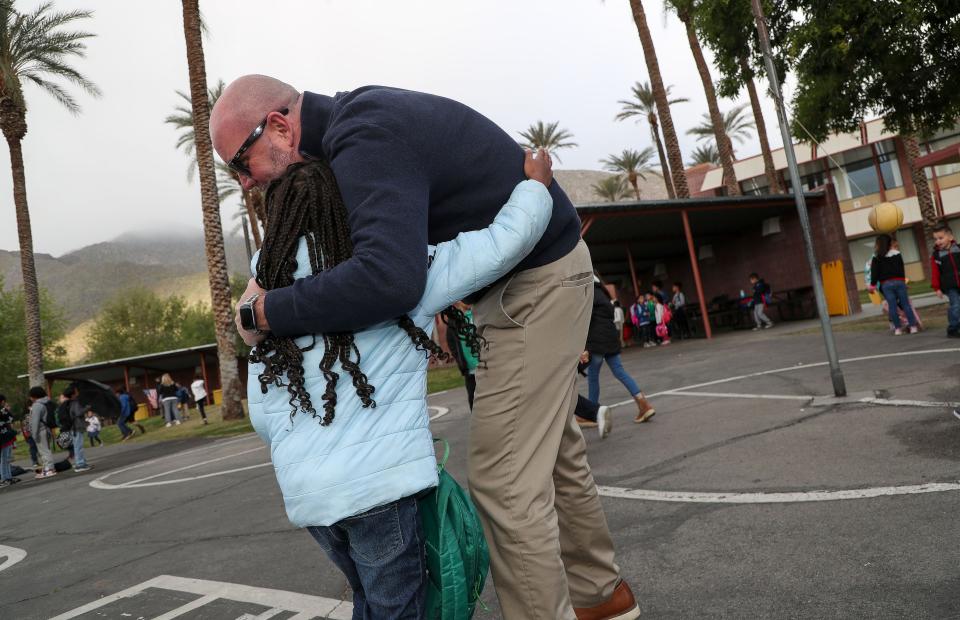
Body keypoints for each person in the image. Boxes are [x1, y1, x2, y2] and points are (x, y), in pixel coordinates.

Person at [213, 76, 636, 618]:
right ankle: (602, 597)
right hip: (513, 278)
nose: (245, 183)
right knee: (553, 453)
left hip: (537, 279)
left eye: (241, 165)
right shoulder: (341, 155)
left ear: (277, 126)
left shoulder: (361, 137)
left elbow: (390, 277)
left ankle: (593, 597)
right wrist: (532, 190)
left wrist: (267, 312)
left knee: (503, 478)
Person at [246, 154, 553, 618]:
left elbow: (262, 416)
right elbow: (501, 243)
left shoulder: (266, 299)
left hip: (311, 498)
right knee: (398, 609)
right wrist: (535, 187)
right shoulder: (398, 270)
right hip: (380, 490)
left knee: (369, 601)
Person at [584, 278, 656, 425]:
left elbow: (583, 318)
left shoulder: (587, 293)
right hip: (611, 339)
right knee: (619, 371)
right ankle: (644, 404)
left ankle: (591, 414)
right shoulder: (604, 295)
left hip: (596, 341)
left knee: (593, 376)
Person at [869, 235, 918, 335]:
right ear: (890, 243)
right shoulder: (897, 254)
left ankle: (898, 329)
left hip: (886, 284)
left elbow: (875, 273)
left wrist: (872, 285)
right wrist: (903, 282)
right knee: (905, 304)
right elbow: (901, 269)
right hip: (899, 282)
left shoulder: (876, 257)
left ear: (878, 244)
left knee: (892, 306)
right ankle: (913, 327)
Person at [445, 301, 480, 410]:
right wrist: (459, 359)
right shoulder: (454, 320)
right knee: (473, 398)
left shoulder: (479, 312)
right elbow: (451, 341)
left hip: (485, 365)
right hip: (469, 369)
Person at [930, 224, 960, 338]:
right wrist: (936, 288)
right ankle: (953, 328)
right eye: (935, 239)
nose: (938, 241)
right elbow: (935, 273)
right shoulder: (936, 255)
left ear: (950, 237)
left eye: (940, 238)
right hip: (950, 286)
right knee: (956, 305)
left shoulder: (958, 249)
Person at [62, 386, 92, 473]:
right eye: (76, 391)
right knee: (78, 446)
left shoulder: (69, 403)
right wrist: (87, 407)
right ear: (73, 395)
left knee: (78, 445)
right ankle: (80, 464)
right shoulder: (75, 402)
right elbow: (78, 412)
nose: (77, 393)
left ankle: (82, 462)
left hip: (73, 426)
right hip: (76, 427)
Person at [28, 387, 56, 479]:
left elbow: (35, 421)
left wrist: (34, 434)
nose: (30, 398)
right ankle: (49, 468)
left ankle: (49, 469)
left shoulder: (37, 405)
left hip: (40, 431)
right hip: (46, 429)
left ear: (35, 396)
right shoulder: (47, 402)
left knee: (43, 451)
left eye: (31, 396)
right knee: (46, 449)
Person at [0, 395, 18, 487]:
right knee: (4, 459)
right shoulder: (3, 411)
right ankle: (4, 478)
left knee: (5, 459)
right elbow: (11, 419)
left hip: (5, 436)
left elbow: (10, 419)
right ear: (2, 401)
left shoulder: (4, 411)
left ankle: (8, 477)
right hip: (4, 437)